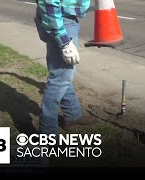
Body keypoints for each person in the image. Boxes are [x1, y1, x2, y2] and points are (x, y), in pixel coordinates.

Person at [35, 0, 96, 135]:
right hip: (59, 21)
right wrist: (65, 44)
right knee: (59, 79)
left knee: (63, 73)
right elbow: (49, 3)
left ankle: (72, 115)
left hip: (61, 19)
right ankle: (48, 133)